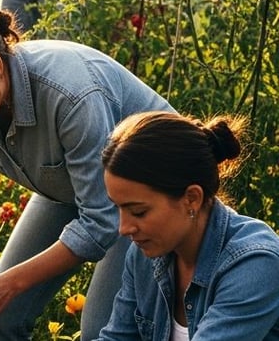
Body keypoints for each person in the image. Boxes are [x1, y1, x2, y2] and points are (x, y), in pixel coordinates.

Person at [0, 2, 174, 340]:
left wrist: (8, 284)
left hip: (150, 195)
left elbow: (102, 221)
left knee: (102, 330)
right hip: (71, 187)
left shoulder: (70, 94)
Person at [97, 112, 279, 340]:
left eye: (138, 212)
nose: (124, 228)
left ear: (191, 198)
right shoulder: (144, 255)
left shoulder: (256, 264)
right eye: (118, 208)